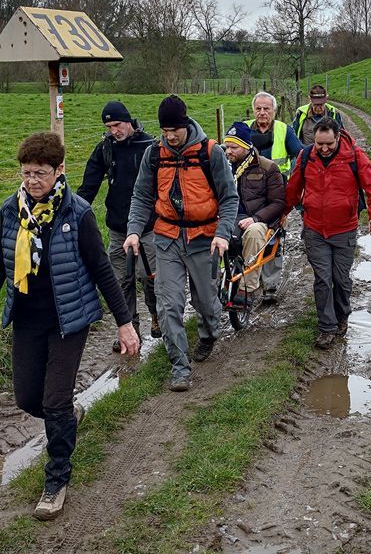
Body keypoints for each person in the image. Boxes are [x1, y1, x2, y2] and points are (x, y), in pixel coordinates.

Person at [0, 132, 139, 520]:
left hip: (68, 321)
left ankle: (56, 480)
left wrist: (124, 324)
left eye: (40, 173)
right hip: (27, 321)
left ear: (59, 171)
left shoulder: (76, 214)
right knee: (29, 399)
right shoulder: (10, 212)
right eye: (26, 173)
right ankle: (67, 417)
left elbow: (102, 271)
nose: (31, 181)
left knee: (54, 401)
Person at [124, 95, 238, 392]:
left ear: (186, 124)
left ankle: (209, 333)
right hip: (167, 238)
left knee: (206, 303)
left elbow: (229, 198)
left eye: (175, 129)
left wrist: (223, 233)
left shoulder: (210, 153)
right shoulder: (154, 155)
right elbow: (141, 197)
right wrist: (134, 230)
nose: (170, 136)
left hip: (203, 238)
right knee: (168, 304)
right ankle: (180, 367)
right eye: (165, 130)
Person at [284, 116, 371, 348]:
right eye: (320, 144)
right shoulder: (306, 156)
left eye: (329, 144)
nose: (324, 149)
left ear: (338, 137)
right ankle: (326, 327)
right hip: (314, 229)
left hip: (344, 230)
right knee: (322, 278)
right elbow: (293, 188)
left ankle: (342, 316)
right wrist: (284, 211)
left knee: (340, 279)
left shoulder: (354, 156)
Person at [77, 101, 161, 351]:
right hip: (118, 227)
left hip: (149, 227)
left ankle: (157, 317)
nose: (114, 130)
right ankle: (130, 327)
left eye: (117, 124)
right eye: (109, 126)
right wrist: (74, 214)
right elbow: (89, 186)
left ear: (129, 121)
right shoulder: (105, 149)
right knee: (120, 281)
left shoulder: (149, 146)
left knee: (151, 279)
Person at [245, 91, 303, 302]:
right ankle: (247, 283)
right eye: (258, 109)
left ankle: (270, 285)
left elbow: (301, 153)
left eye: (266, 109)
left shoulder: (284, 130)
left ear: (274, 111)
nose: (262, 113)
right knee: (245, 238)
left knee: (273, 238)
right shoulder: (243, 129)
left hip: (277, 195)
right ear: (253, 110)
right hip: (247, 194)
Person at [223, 121, 286, 304]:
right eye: (227, 147)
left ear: (246, 146)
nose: (229, 152)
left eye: (234, 147)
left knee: (254, 232)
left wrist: (255, 218)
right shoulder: (222, 168)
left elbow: (277, 202)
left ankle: (246, 288)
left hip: (258, 218)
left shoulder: (267, 168)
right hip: (229, 216)